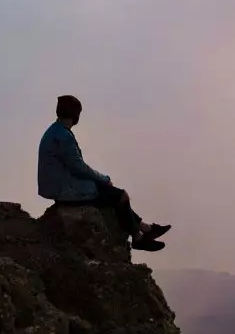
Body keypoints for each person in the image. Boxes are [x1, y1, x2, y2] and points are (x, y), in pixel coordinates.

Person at [38, 95, 171, 252]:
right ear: (76, 115)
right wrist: (104, 179)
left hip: (60, 186)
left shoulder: (54, 131)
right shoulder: (63, 136)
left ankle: (145, 228)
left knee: (114, 194)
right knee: (120, 195)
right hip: (66, 191)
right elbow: (78, 167)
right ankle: (138, 237)